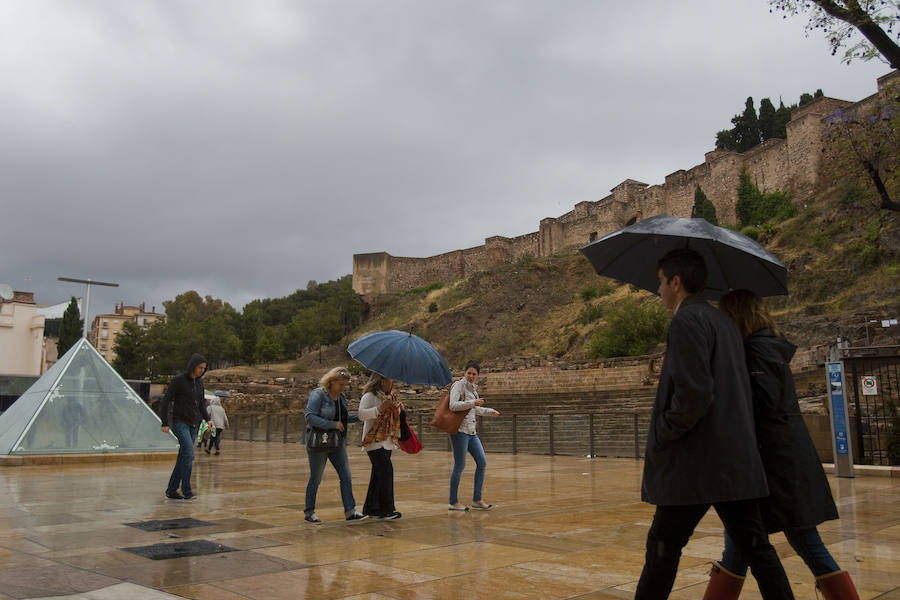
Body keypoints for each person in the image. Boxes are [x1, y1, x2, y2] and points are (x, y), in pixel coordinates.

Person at [635, 248, 794, 599]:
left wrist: (663, 431)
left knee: (662, 547)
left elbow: (696, 394)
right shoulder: (723, 320)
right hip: (731, 460)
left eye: (661, 282)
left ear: (676, 282)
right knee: (757, 548)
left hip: (696, 463)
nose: (658, 290)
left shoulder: (687, 320)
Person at [707, 289, 858, 599]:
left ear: (737, 316)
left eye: (725, 315)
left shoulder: (757, 352)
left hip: (774, 466)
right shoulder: (766, 349)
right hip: (778, 462)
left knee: (794, 540)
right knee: (750, 542)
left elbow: (761, 402)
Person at [304, 367, 367, 523]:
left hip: (337, 442)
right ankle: (309, 512)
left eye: (345, 385)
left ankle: (350, 511)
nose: (343, 388)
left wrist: (365, 416)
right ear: (331, 382)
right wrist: (331, 424)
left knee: (346, 476)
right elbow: (309, 416)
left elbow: (343, 419)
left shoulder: (341, 398)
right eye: (341, 384)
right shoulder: (318, 394)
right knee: (316, 478)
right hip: (319, 441)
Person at [447, 360, 500, 512]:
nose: (471, 376)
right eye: (468, 373)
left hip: (471, 432)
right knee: (460, 465)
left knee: (482, 462)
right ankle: (453, 501)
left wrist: (489, 411)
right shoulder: (458, 385)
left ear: (477, 375)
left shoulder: (473, 389)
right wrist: (473, 402)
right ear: (465, 373)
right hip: (460, 431)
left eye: (474, 374)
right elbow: (453, 405)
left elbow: (473, 409)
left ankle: (477, 499)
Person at [159, 353, 211, 500]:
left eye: (204, 368)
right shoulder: (179, 381)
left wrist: (208, 419)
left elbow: (201, 404)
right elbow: (166, 401)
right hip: (179, 422)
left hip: (194, 424)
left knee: (184, 456)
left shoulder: (199, 383)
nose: (202, 370)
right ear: (193, 366)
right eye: (200, 367)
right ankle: (187, 491)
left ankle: (171, 490)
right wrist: (164, 422)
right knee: (189, 454)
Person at [358, 373, 403, 520]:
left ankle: (372, 508)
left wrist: (398, 408)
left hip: (386, 441)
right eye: (391, 379)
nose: (393, 381)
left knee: (378, 474)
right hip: (374, 441)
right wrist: (379, 409)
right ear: (382, 380)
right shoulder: (370, 396)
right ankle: (387, 510)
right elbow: (361, 415)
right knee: (386, 472)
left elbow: (394, 416)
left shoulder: (390, 396)